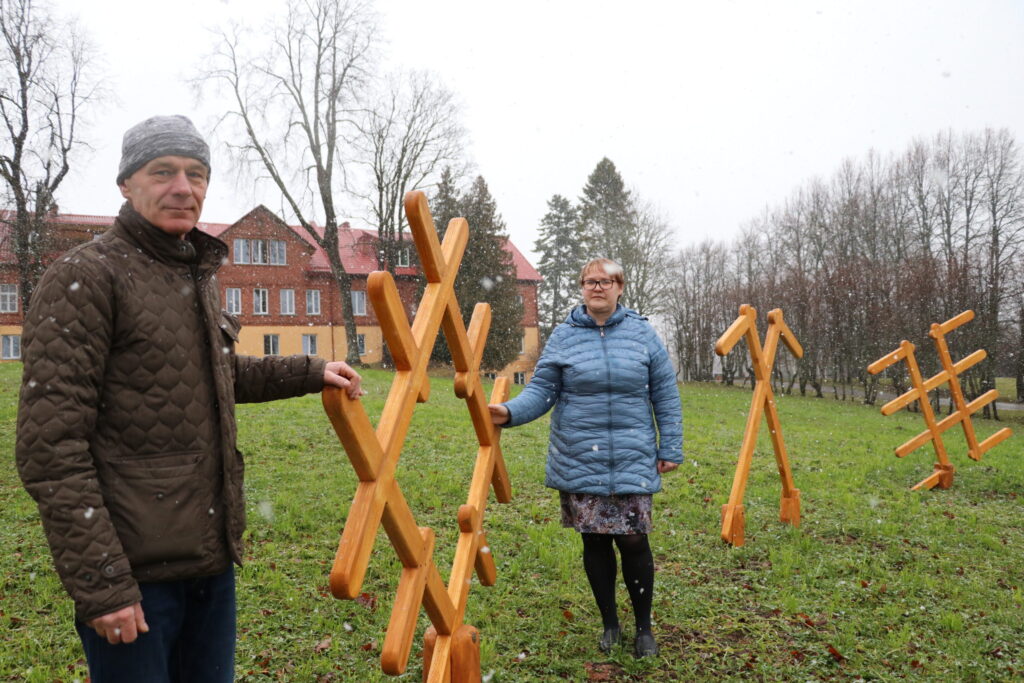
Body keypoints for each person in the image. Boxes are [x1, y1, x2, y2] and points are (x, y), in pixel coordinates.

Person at [15, 115, 363, 683]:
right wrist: (104, 584)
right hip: (136, 574)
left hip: (209, 559)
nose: (184, 187)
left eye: (197, 174)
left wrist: (313, 368)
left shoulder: (192, 273)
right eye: (164, 171)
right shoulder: (86, 277)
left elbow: (215, 375)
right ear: (126, 184)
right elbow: (49, 449)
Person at [488, 258, 682, 658]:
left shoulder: (643, 334)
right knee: (595, 542)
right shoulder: (563, 337)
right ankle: (610, 623)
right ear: (581, 287)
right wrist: (508, 413)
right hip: (580, 456)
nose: (598, 287)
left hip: (632, 454)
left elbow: (665, 393)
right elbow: (542, 391)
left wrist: (671, 447)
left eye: (606, 281)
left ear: (620, 288)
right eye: (591, 281)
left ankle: (644, 628)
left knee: (633, 541)